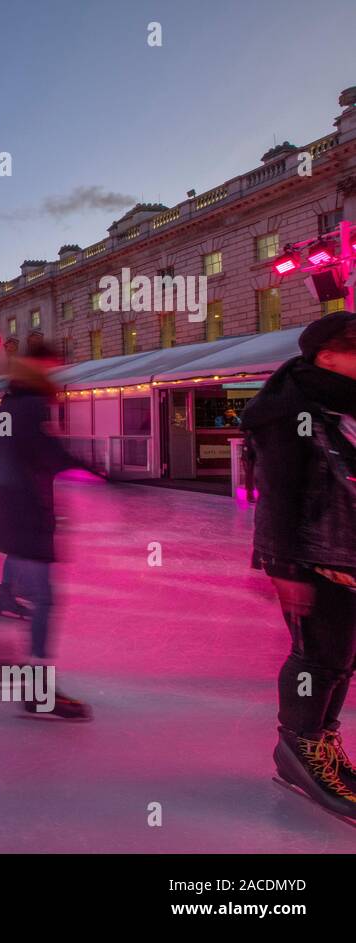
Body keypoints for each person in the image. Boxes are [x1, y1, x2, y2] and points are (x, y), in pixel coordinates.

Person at [240, 311, 356, 822]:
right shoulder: (291, 410)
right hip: (315, 557)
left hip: (349, 554)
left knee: (345, 658)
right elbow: (278, 496)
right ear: (328, 356)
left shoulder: (344, 406)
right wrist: (285, 567)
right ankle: (300, 749)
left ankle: (324, 745)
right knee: (317, 656)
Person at [0, 339, 96, 722]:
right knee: (45, 599)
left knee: (33, 592)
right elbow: (45, 454)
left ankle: (13, 663)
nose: (55, 372)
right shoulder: (32, 404)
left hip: (8, 504)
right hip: (28, 509)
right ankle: (35, 682)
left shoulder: (8, 402)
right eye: (50, 366)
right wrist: (95, 469)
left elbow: (10, 450)